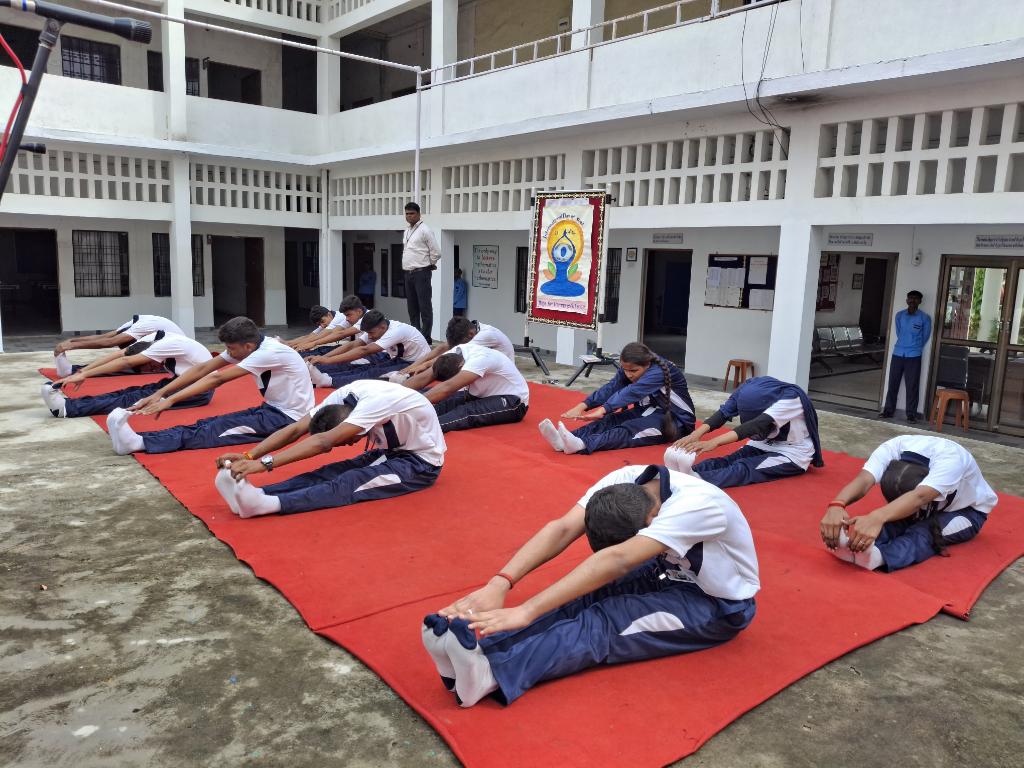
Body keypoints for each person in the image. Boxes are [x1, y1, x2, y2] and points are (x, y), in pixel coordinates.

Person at [419, 464, 759, 707]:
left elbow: (618, 559)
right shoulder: (625, 480)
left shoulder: (698, 505)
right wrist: (501, 583)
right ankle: (476, 654)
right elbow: (563, 528)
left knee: (605, 621)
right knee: (580, 596)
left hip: (715, 604)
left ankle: (490, 674)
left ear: (651, 521)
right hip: (663, 570)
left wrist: (526, 610)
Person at [213, 379, 445, 518]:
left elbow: (324, 442)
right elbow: (297, 429)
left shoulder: (375, 404)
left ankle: (269, 505)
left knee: (351, 481)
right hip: (389, 452)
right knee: (329, 472)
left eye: (345, 440)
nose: (348, 444)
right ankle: (260, 494)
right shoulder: (343, 396)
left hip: (421, 464)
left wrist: (265, 464)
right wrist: (249, 455)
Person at [104, 317, 314, 455]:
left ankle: (138, 443)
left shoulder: (268, 352)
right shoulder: (252, 346)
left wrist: (170, 400)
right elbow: (204, 368)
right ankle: (140, 440)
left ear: (248, 346)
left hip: (288, 420)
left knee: (214, 430)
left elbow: (217, 379)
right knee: (209, 422)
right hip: (272, 410)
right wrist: (160, 393)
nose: (228, 353)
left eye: (230, 348)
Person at [819, 435, 996, 571]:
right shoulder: (893, 447)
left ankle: (879, 557)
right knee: (891, 521)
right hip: (919, 501)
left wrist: (876, 517)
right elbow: (865, 480)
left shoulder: (951, 461)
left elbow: (920, 497)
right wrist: (837, 504)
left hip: (966, 512)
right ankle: (856, 547)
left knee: (924, 533)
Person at [665, 376, 823, 489]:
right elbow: (723, 414)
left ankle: (696, 481)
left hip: (792, 453)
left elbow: (756, 425)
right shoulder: (747, 389)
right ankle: (682, 473)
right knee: (729, 460)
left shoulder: (791, 399)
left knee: (744, 468)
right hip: (763, 443)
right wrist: (695, 435)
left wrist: (713, 442)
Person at [537, 342, 695, 455]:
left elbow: (631, 392)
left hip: (677, 422)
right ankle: (568, 438)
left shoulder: (658, 371)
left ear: (647, 365)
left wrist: (603, 409)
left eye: (633, 371)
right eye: (625, 370)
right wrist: (583, 405)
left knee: (630, 429)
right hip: (648, 410)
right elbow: (612, 387)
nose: (628, 374)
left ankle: (582, 444)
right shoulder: (630, 366)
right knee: (611, 420)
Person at [42, 332, 213, 418]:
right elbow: (121, 355)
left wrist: (85, 375)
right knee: (131, 391)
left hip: (199, 390)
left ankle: (68, 409)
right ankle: (72, 404)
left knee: (134, 398)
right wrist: (83, 372)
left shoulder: (164, 345)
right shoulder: (152, 338)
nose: (151, 368)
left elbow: (127, 362)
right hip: (183, 380)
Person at [403, 343, 529, 432]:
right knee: (445, 404)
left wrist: (411, 405)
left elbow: (447, 388)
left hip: (514, 400)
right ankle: (408, 420)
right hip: (482, 393)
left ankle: (420, 430)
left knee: (465, 412)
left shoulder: (478, 361)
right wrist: (396, 396)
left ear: (461, 368)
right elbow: (424, 378)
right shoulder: (454, 353)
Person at [306, 310, 432, 388]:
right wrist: (323, 358)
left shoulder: (396, 331)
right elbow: (354, 345)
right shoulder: (376, 326)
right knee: (363, 367)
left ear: (383, 327)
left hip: (415, 364)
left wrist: (327, 360)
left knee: (374, 373)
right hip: (398, 358)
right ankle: (323, 375)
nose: (370, 337)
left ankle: (328, 381)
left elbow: (364, 350)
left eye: (371, 333)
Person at [52, 314, 185, 377]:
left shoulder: (145, 326)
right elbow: (105, 338)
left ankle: (74, 371)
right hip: (163, 345)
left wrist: (71, 346)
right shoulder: (139, 325)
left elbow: (109, 342)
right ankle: (74, 370)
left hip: (174, 356)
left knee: (126, 363)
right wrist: (71, 342)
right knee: (125, 358)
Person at [398, 317, 516, 379]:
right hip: (485, 369)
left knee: (443, 366)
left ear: (471, 334)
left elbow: (452, 352)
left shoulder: (486, 335)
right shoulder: (471, 329)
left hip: (499, 376)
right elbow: (442, 347)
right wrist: (410, 367)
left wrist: (425, 366)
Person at [880, 290, 932, 423]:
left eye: (915, 299)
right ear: (907, 300)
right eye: (910, 298)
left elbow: (925, 337)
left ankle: (911, 415)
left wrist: (914, 346)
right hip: (898, 353)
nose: (912, 301)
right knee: (893, 383)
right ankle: (888, 411)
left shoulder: (924, 318)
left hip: (914, 356)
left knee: (912, 386)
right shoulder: (899, 315)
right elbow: (899, 332)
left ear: (920, 301)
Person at [402, 202, 441, 343]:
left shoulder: (425, 230)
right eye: (407, 213)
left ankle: (426, 336)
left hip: (421, 272)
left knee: (424, 306)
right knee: (412, 306)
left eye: (412, 213)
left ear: (419, 214)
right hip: (408, 273)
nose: (409, 216)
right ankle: (415, 334)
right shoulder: (407, 231)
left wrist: (429, 265)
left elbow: (436, 252)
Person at [293, 297, 371, 357]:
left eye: (348, 315)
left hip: (369, 353)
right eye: (345, 315)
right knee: (318, 353)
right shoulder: (351, 318)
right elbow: (335, 332)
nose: (346, 318)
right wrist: (307, 343)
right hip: (356, 347)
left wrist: (314, 344)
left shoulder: (367, 317)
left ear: (359, 311)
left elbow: (341, 334)